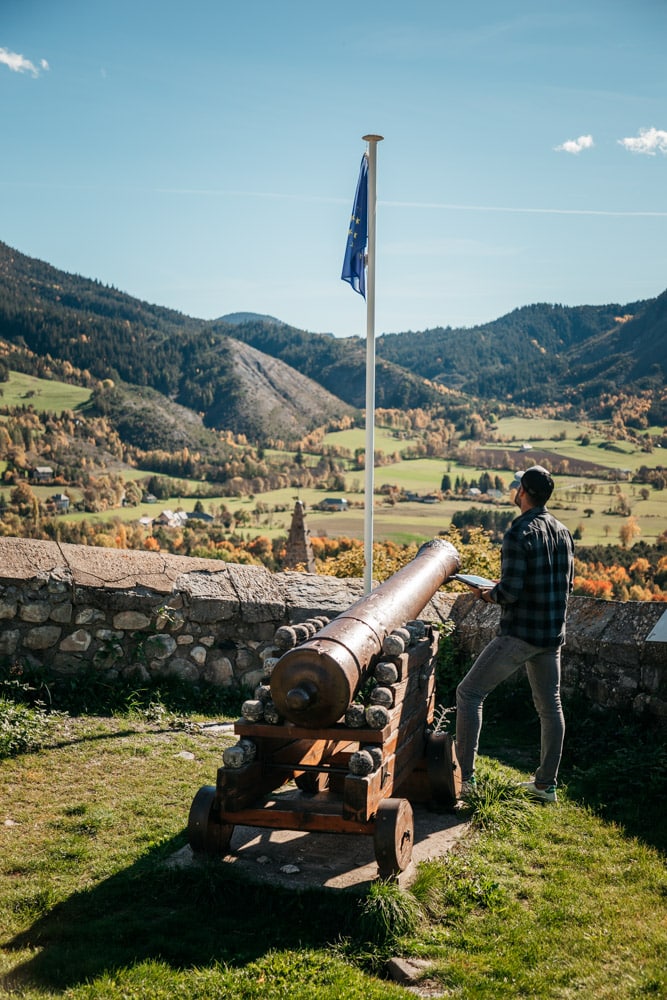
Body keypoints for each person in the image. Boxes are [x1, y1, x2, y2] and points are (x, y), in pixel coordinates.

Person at [455, 465, 574, 803]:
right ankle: (546, 785)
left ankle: (466, 781)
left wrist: (487, 593)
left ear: (522, 491)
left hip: (519, 633)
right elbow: (567, 585)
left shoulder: (518, 532)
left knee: (469, 694)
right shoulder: (563, 533)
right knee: (550, 707)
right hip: (552, 635)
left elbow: (510, 592)